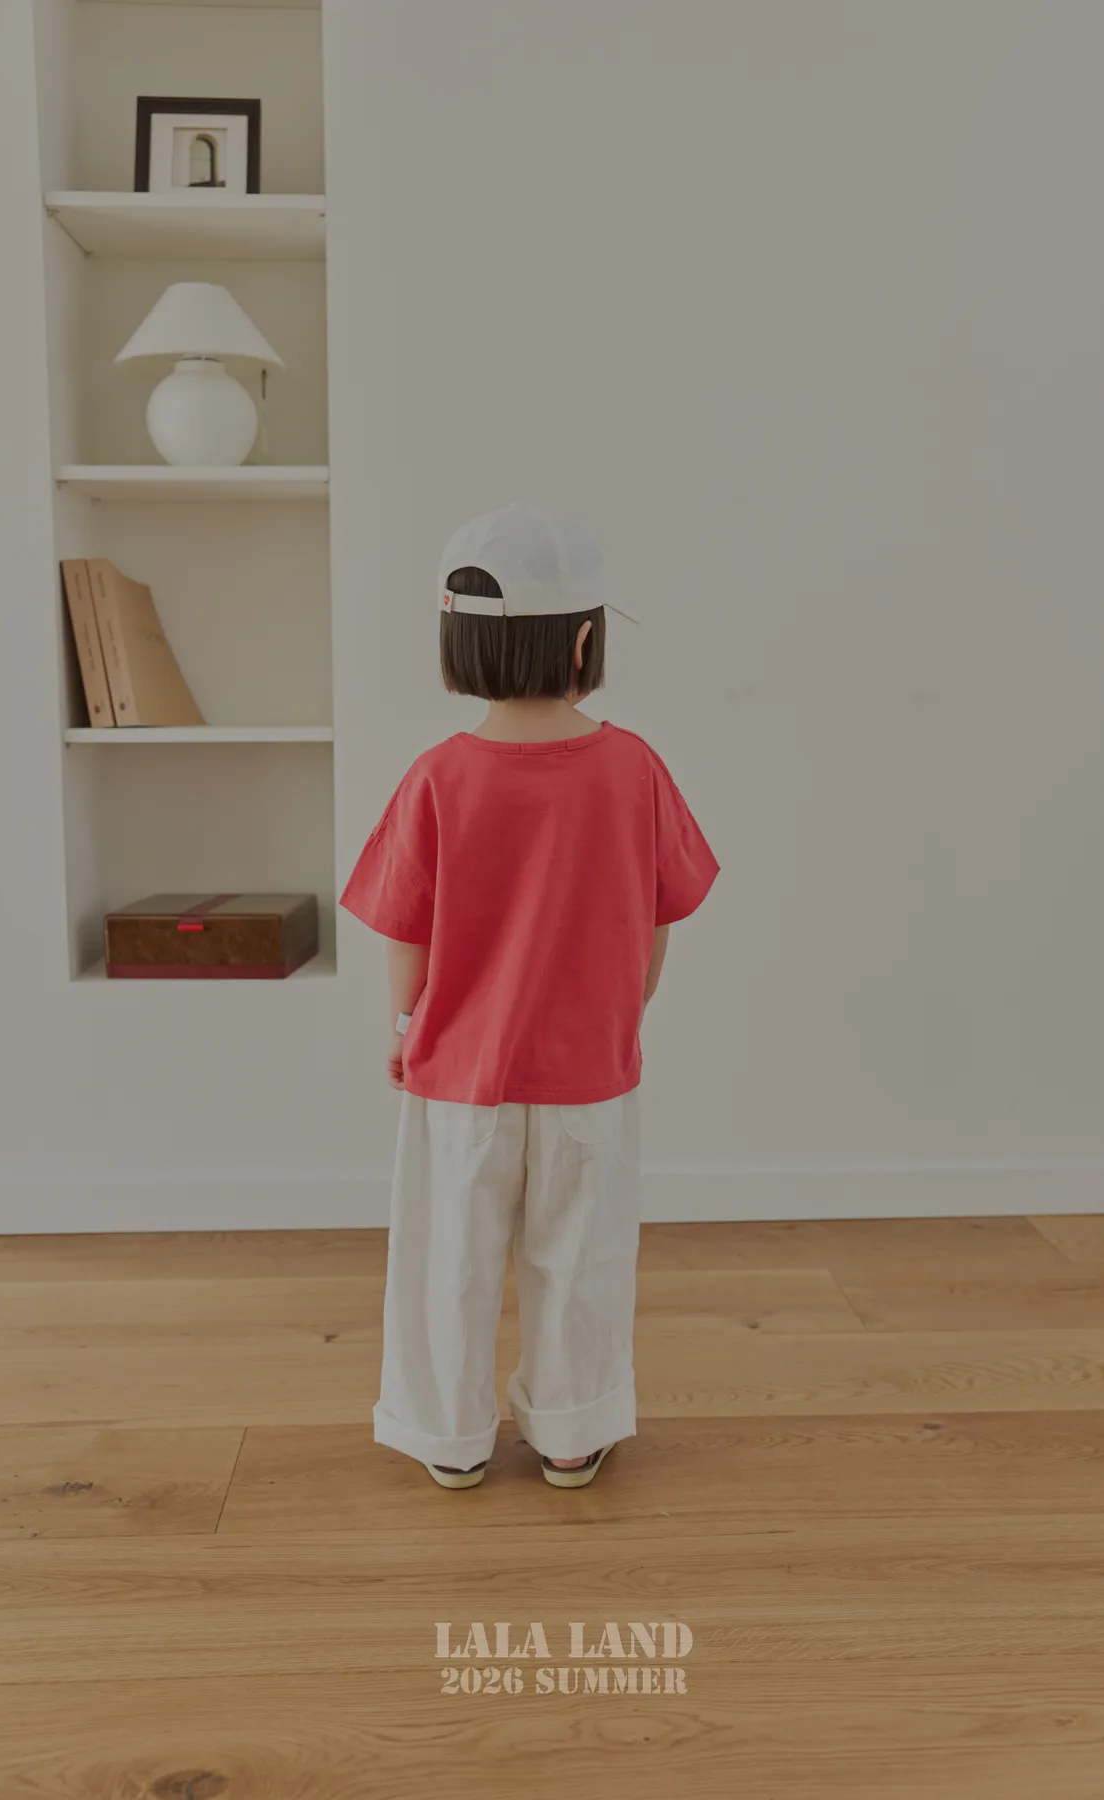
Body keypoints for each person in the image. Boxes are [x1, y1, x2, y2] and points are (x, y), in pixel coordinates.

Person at [340, 504, 719, 1490]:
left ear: (456, 643)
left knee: (448, 1259)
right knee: (582, 1256)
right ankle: (571, 1431)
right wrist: (622, 1015)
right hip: (588, 1073)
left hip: (459, 1077)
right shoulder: (634, 770)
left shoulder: (437, 778)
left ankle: (449, 1436)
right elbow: (659, 919)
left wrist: (407, 1026)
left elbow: (406, 930)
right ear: (585, 642)